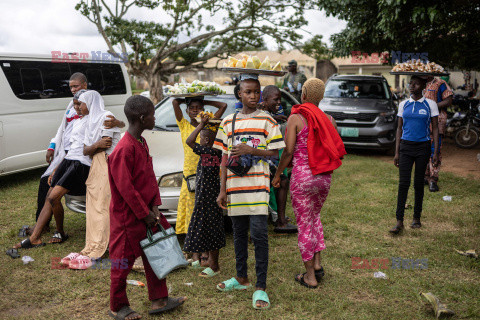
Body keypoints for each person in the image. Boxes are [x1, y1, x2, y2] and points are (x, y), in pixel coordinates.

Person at [108, 95, 186, 319]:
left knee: (156, 254)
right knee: (122, 263)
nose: (155, 118)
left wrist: (154, 208)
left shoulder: (141, 142)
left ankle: (159, 299)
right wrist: (144, 215)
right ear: (142, 118)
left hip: (147, 214)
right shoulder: (124, 149)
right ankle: (118, 305)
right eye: (152, 114)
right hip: (127, 218)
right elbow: (127, 189)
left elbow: (149, 179)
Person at [18, 73, 123, 238]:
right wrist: (52, 146)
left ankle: (49, 229)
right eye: (71, 87)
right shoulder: (72, 105)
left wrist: (117, 123)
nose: (73, 90)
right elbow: (63, 128)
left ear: (85, 86)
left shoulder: (90, 106)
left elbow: (108, 125)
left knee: (53, 191)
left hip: (78, 158)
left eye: (76, 87)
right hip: (67, 153)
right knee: (46, 183)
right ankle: (42, 226)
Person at [214, 74, 285, 310]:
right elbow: (224, 158)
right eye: (248, 92)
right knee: (238, 234)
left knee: (259, 235)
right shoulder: (228, 122)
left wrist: (250, 150)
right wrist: (222, 190)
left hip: (258, 188)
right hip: (235, 188)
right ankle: (241, 278)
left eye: (257, 92)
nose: (253, 96)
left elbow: (275, 153)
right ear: (239, 94)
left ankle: (260, 287)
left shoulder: (268, 121)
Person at [273, 78, 345, 288]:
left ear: (303, 93)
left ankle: (310, 277)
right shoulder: (330, 120)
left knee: (304, 224)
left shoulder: (296, 118)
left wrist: (278, 174)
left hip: (303, 178)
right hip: (324, 178)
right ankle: (317, 265)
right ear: (321, 96)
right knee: (315, 218)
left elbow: (288, 152)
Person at [9, 91, 93, 253]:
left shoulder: (98, 120)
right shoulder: (78, 121)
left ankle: (39, 235)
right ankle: (42, 235)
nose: (76, 108)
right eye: (74, 104)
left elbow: (112, 131)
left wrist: (116, 124)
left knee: (53, 196)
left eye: (79, 105)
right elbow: (71, 147)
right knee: (49, 193)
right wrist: (57, 167)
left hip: (81, 165)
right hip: (69, 161)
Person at [62, 90, 123, 269]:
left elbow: (106, 144)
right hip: (96, 163)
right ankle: (92, 245)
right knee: (93, 206)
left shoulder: (107, 117)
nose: (78, 107)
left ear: (90, 102)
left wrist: (93, 147)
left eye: (81, 103)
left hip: (108, 163)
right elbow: (86, 150)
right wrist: (94, 146)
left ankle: (99, 248)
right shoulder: (88, 121)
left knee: (102, 206)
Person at [172, 97, 226, 265]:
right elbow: (174, 102)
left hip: (208, 175)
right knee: (192, 214)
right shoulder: (184, 125)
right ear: (187, 111)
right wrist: (188, 96)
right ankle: (195, 254)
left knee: (204, 215)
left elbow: (223, 106)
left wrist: (205, 100)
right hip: (191, 175)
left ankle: (204, 253)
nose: (195, 110)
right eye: (192, 108)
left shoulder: (210, 125)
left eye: (198, 108)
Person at [390, 76, 439, 234]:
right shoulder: (403, 104)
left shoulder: (430, 104)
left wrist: (435, 151)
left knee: (418, 183)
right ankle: (399, 221)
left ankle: (416, 218)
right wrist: (397, 152)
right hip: (405, 147)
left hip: (422, 147)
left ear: (423, 86)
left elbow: (436, 129)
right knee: (403, 184)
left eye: (415, 83)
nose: (411, 86)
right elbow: (399, 128)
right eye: (410, 83)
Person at [183, 113, 225, 278]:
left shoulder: (210, 152)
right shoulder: (212, 152)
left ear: (206, 140)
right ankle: (206, 261)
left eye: (201, 137)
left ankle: (214, 266)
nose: (199, 139)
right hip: (206, 198)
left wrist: (201, 125)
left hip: (209, 198)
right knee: (207, 230)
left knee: (211, 231)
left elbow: (189, 141)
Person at [258, 85, 296, 233]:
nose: (279, 102)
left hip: (270, 155)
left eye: (280, 99)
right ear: (265, 100)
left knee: (281, 181)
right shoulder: (261, 113)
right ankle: (279, 221)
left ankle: (279, 219)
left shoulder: (267, 113)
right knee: (281, 182)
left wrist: (275, 118)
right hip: (264, 157)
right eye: (276, 99)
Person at [422, 75, 453, 192]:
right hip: (422, 122)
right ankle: (424, 177)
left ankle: (433, 179)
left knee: (435, 149)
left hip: (437, 121)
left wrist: (433, 107)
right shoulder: (419, 82)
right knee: (422, 148)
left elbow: (449, 100)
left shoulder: (440, 83)